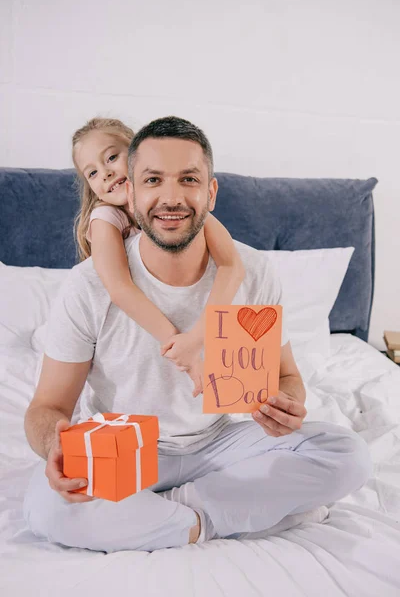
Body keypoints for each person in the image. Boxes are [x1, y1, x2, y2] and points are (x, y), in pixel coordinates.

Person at [23, 116, 372, 552]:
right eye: (153, 180)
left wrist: (288, 406)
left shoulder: (253, 270)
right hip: (129, 449)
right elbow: (47, 406)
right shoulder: (89, 284)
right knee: (47, 506)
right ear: (130, 190)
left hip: (221, 442)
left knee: (348, 454)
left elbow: (286, 378)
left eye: (188, 179)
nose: (171, 197)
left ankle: (174, 516)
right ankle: (239, 515)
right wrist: (55, 444)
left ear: (210, 191)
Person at [72, 117, 245, 397]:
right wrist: (184, 352)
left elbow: (233, 266)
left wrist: (198, 336)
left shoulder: (181, 208)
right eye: (91, 173)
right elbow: (119, 288)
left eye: (112, 157)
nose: (104, 174)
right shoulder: (105, 218)